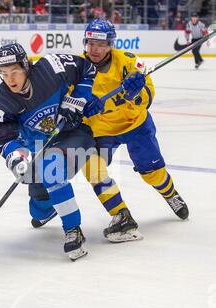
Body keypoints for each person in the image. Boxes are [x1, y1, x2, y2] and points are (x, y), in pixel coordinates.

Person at [79, 19, 189, 242]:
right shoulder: (77, 68)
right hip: (102, 131)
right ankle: (120, 214)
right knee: (91, 167)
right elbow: (68, 101)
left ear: (110, 44)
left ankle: (170, 194)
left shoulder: (128, 62)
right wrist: (82, 106)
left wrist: (134, 94)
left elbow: (148, 96)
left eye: (101, 44)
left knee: (153, 174)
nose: (95, 49)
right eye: (91, 43)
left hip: (135, 125)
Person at [0, 42, 97, 261]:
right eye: (5, 74)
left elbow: (87, 69)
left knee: (50, 168)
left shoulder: (52, 67)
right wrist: (17, 157)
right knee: (38, 207)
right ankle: (46, 209)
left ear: (27, 66)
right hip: (38, 148)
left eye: (15, 71)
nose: (11, 79)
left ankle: (73, 230)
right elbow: (4, 138)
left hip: (73, 134)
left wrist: (79, 99)